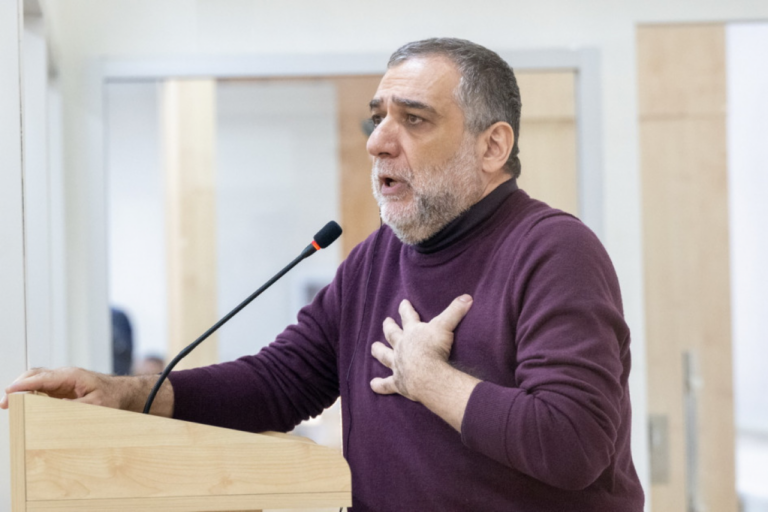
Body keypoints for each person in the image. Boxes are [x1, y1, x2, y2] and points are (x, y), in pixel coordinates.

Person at [1, 38, 644, 511]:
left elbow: (573, 444)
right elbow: (279, 383)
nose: (378, 140)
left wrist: (429, 380)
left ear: (492, 146)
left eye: (413, 119)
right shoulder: (373, 259)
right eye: (378, 116)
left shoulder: (555, 251)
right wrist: (125, 395)